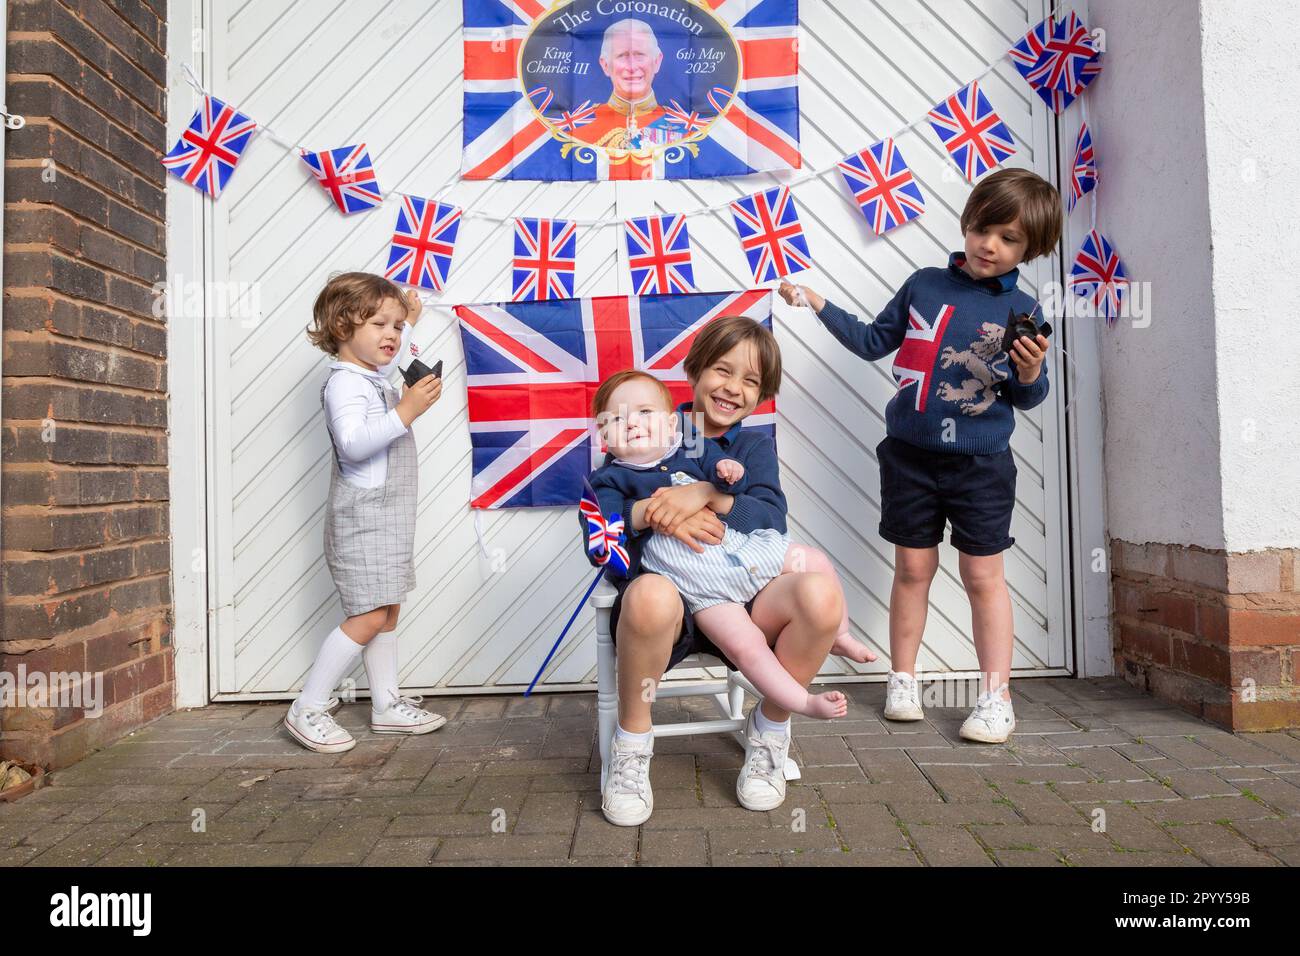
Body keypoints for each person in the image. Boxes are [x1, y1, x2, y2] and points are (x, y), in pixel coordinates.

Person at [778, 167, 1062, 744]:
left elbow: (1027, 397)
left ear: (1030, 249)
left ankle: (994, 696)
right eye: (985, 228)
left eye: (1010, 239)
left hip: (981, 466)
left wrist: (1031, 371)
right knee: (912, 568)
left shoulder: (1023, 310)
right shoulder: (924, 283)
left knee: (984, 575)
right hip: (910, 456)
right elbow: (870, 342)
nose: (991, 245)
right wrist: (818, 302)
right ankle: (902, 679)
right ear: (968, 221)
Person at [593, 315, 876, 826]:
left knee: (818, 590)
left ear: (763, 392)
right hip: (670, 613)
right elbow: (602, 528)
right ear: (695, 369)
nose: (733, 389)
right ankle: (631, 748)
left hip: (747, 601)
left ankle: (770, 728)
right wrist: (647, 514)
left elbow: (770, 517)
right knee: (653, 593)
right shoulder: (650, 426)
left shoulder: (753, 446)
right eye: (723, 371)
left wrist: (709, 495)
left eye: (750, 381)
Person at [587, 369, 849, 720]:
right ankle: (802, 702)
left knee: (813, 561)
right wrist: (646, 512)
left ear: (670, 424)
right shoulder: (609, 479)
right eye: (617, 419)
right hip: (701, 589)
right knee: (748, 647)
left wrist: (722, 477)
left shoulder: (691, 447)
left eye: (644, 413)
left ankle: (842, 634)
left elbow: (730, 480)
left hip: (740, 552)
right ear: (605, 437)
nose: (631, 423)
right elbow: (601, 537)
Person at [285, 273, 445, 753]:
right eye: (379, 324)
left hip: (387, 518)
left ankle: (386, 704)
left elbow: (389, 355)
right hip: (363, 521)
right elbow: (354, 446)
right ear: (341, 326)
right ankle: (308, 706)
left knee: (387, 610)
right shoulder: (345, 385)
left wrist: (409, 322)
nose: (391, 335)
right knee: (369, 614)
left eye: (396, 326)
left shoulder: (369, 375)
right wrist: (408, 411)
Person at [568, 18, 675, 150]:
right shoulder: (578, 128)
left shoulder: (680, 126)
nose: (632, 67)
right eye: (622, 56)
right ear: (605, 65)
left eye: (640, 54)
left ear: (657, 61)